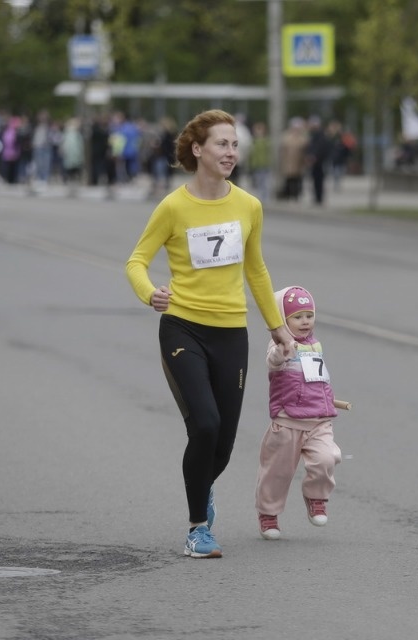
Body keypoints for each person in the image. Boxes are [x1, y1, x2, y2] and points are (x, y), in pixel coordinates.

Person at [125, 109, 293, 559]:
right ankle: (198, 527)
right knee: (204, 424)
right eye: (222, 144)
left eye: (235, 145)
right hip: (182, 326)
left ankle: (203, 488)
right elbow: (136, 260)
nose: (231, 152)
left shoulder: (248, 206)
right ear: (198, 149)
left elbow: (255, 270)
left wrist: (276, 326)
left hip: (230, 333)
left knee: (222, 443)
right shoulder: (174, 206)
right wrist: (149, 294)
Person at [255, 285, 343, 540]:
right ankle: (268, 514)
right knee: (277, 472)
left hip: (319, 420)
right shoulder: (279, 346)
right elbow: (273, 361)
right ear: (282, 320)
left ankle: (316, 497)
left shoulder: (316, 345)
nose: (305, 322)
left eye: (309, 315)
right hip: (288, 421)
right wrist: (283, 350)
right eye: (297, 316)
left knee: (327, 457)